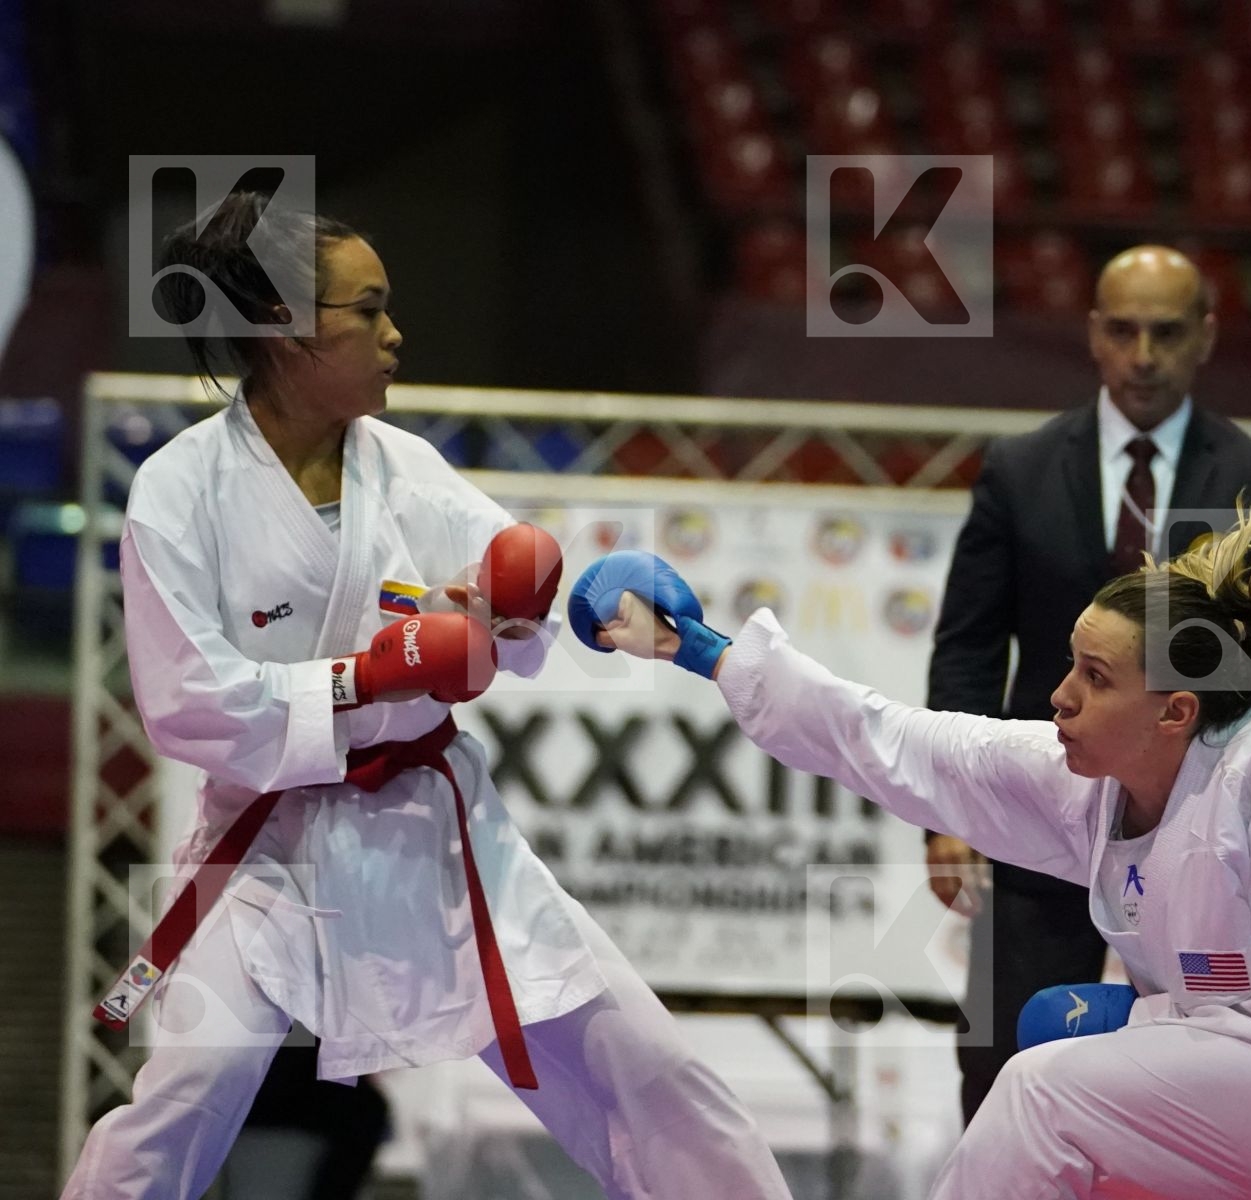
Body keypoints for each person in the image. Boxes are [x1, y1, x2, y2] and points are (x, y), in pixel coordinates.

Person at [568, 499, 1251, 1200]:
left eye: (1091, 676)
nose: (1060, 695)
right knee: (1085, 1118)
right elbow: (896, 741)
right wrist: (700, 650)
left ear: (1175, 709)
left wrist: (1136, 1012)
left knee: (1044, 1090)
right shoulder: (1094, 776)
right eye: (1068, 667)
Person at [63, 194, 792, 1200]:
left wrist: (571, 597)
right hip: (273, 849)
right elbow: (189, 701)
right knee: (186, 1092)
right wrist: (369, 675)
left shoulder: (404, 466)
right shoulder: (180, 491)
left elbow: (507, 590)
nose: (395, 333)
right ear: (284, 328)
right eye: (369, 310)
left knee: (656, 1076)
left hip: (443, 840)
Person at [926, 243, 1251, 1123]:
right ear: (1093, 336)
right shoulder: (1019, 468)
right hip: (1042, 804)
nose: (1143, 354)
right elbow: (966, 649)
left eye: (1165, 331)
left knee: (1225, 1064)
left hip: (1208, 826)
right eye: (1124, 330)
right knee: (1002, 1057)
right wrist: (948, 810)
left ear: (1205, 337)